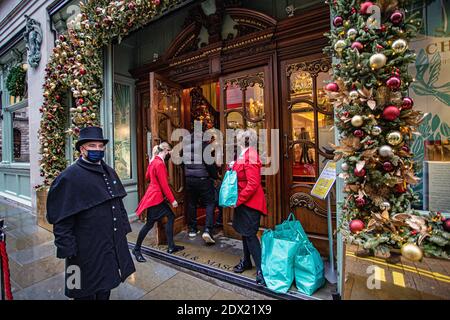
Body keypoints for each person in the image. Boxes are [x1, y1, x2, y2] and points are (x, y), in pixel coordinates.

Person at [46, 126, 136, 300]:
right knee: (81, 291)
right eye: (92, 146)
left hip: (109, 247)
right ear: (82, 149)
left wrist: (122, 230)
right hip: (82, 251)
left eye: (100, 146)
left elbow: (117, 204)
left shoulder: (109, 171)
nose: (98, 150)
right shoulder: (68, 177)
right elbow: (61, 220)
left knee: (106, 288)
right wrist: (68, 249)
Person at [133, 142, 184, 262]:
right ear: (166, 150)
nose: (170, 155)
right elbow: (164, 185)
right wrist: (173, 200)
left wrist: (150, 162)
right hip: (156, 198)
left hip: (154, 197)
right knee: (152, 223)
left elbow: (147, 177)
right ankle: (137, 249)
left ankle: (171, 246)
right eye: (170, 152)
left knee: (168, 217)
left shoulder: (154, 161)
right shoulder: (160, 163)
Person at [231, 129, 267, 286]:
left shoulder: (251, 155)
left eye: (238, 138)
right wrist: (232, 166)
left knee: (251, 235)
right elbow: (241, 174)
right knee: (245, 234)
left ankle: (261, 271)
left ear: (243, 141)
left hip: (249, 203)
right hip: (243, 202)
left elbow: (253, 183)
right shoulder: (244, 154)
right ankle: (246, 262)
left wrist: (238, 200)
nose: (236, 140)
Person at [183, 127, 219, 244]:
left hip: (189, 179)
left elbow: (180, 160)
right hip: (203, 179)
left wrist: (187, 171)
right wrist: (215, 177)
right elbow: (210, 165)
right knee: (210, 203)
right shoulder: (204, 147)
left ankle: (192, 229)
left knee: (192, 203)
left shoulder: (186, 147)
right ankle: (208, 230)